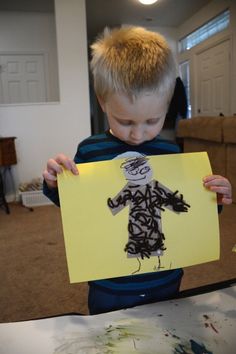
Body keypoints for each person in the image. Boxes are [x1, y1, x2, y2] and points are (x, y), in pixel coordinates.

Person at [43, 26, 232, 315]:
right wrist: (56, 183)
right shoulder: (90, 151)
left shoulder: (171, 153)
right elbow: (75, 207)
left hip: (166, 277)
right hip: (110, 283)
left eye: (152, 120)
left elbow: (182, 206)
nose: (137, 134)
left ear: (167, 106)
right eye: (126, 121)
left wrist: (214, 199)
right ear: (102, 102)